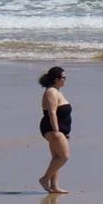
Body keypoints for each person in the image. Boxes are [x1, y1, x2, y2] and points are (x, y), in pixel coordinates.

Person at [37, 66, 71, 194]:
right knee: (64, 157)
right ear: (57, 79)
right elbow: (52, 113)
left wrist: (65, 132)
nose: (65, 80)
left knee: (56, 158)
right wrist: (56, 131)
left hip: (60, 129)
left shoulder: (57, 91)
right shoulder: (51, 91)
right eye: (64, 78)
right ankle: (44, 179)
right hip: (52, 128)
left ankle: (54, 186)